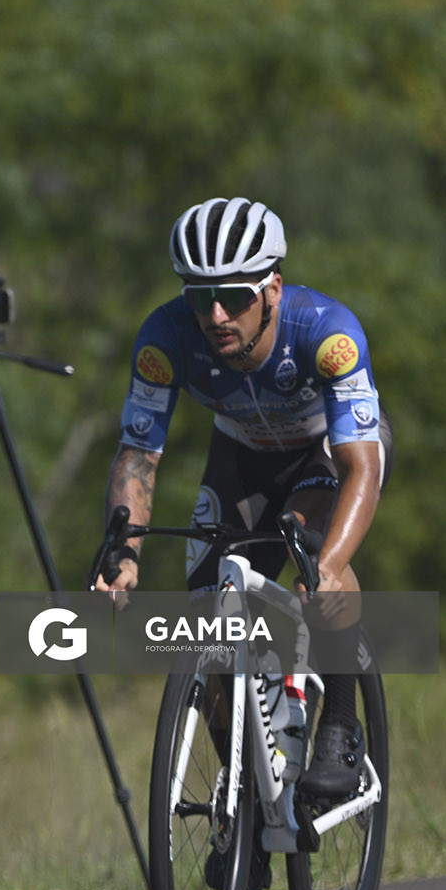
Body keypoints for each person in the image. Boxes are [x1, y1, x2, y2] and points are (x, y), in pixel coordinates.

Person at [96, 198, 391, 804]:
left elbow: (361, 464)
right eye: (200, 297)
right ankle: (247, 795)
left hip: (328, 452)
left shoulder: (327, 332)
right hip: (241, 456)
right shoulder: (166, 336)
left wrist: (332, 566)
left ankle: (338, 720)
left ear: (273, 289)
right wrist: (123, 552)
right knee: (205, 628)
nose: (217, 313)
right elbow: (137, 456)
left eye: (234, 294)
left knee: (310, 549)